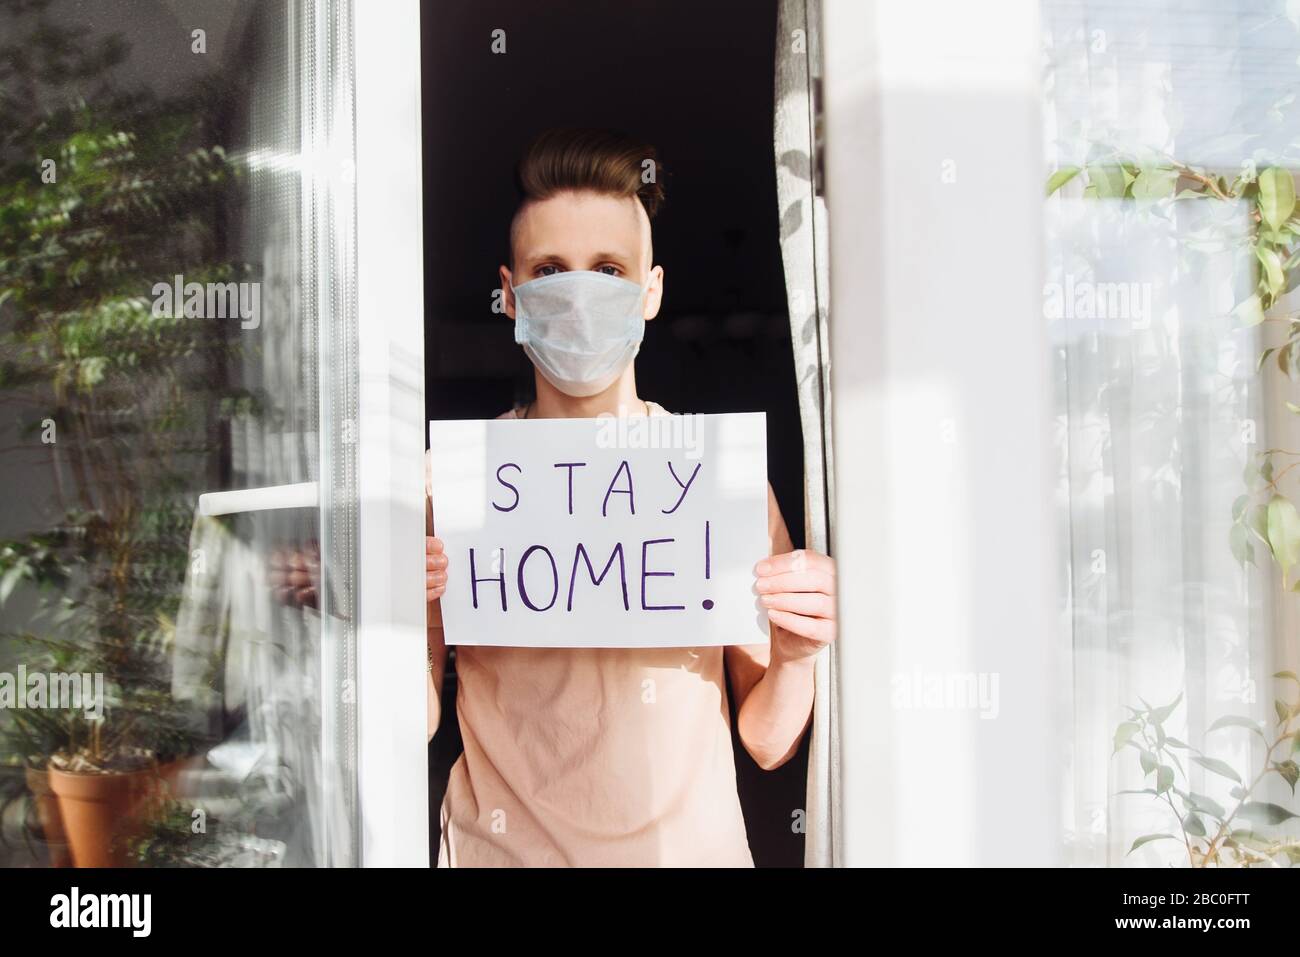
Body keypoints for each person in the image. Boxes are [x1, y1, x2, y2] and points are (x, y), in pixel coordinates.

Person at [425, 128, 836, 867]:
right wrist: (384, 613)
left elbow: (768, 741)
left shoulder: (718, 480)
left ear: (650, 292)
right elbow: (411, 717)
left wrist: (800, 655)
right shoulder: (452, 484)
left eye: (609, 269)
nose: (581, 294)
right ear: (511, 294)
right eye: (551, 269)